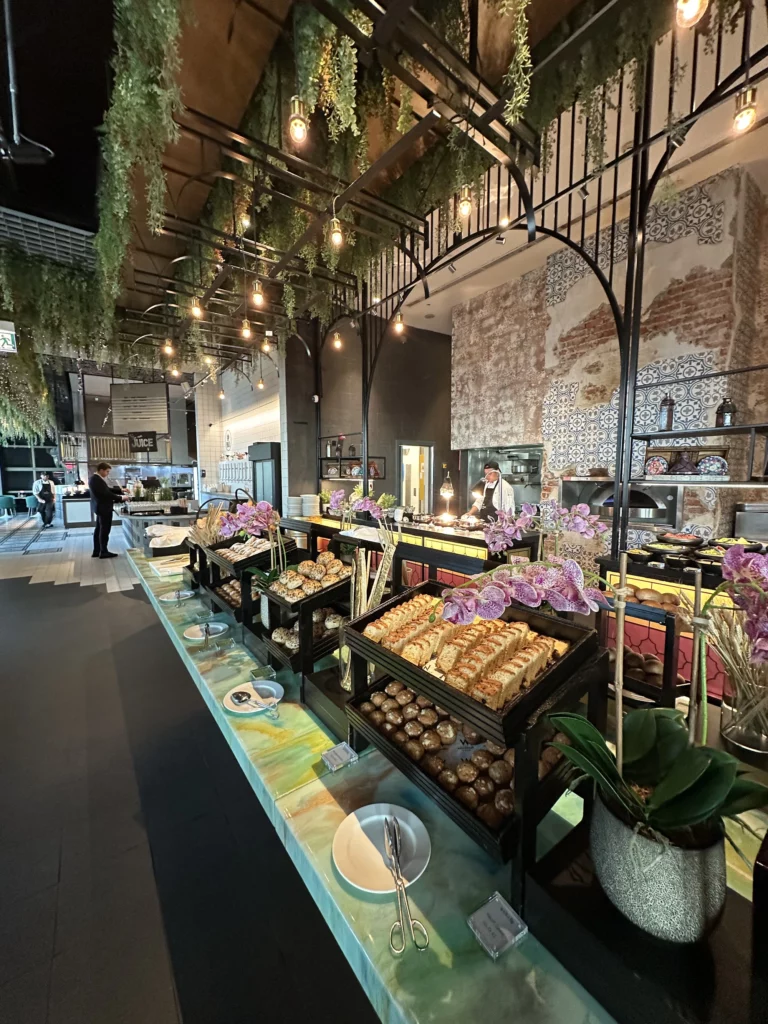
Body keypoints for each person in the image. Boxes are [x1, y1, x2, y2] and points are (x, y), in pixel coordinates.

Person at [88, 462, 124, 558]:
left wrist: (121, 491)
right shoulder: (96, 480)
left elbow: (107, 490)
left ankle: (97, 550)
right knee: (104, 530)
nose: (108, 473)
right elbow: (106, 494)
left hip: (100, 507)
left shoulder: (96, 479)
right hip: (103, 508)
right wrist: (121, 498)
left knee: (99, 529)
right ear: (101, 470)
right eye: (107, 471)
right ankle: (103, 551)